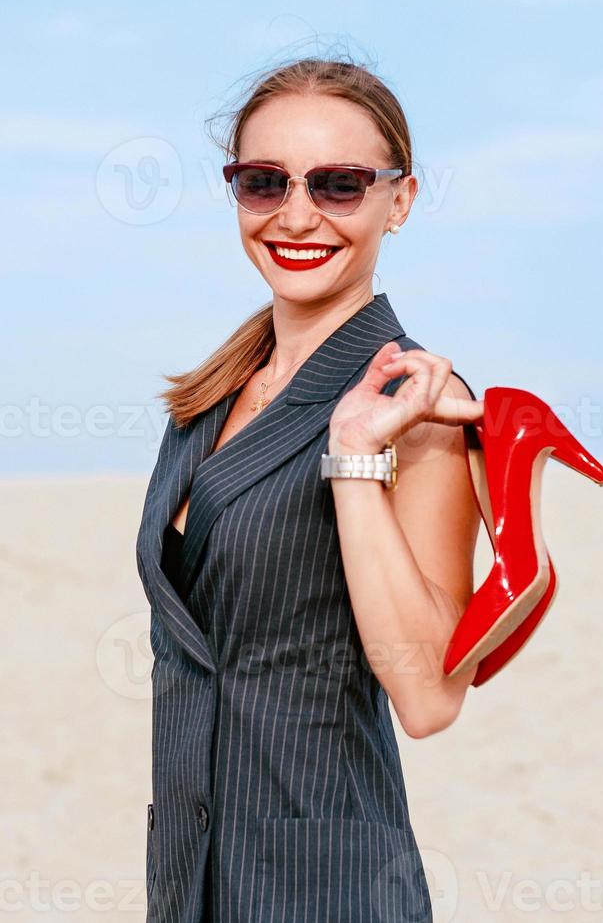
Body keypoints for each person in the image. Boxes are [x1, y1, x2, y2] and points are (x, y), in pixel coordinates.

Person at [136, 54, 484, 923]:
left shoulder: (420, 409)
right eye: (264, 182)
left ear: (397, 201)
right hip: (191, 883)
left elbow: (428, 696)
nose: (296, 216)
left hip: (329, 886)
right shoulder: (205, 398)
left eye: (338, 185)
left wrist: (355, 456)